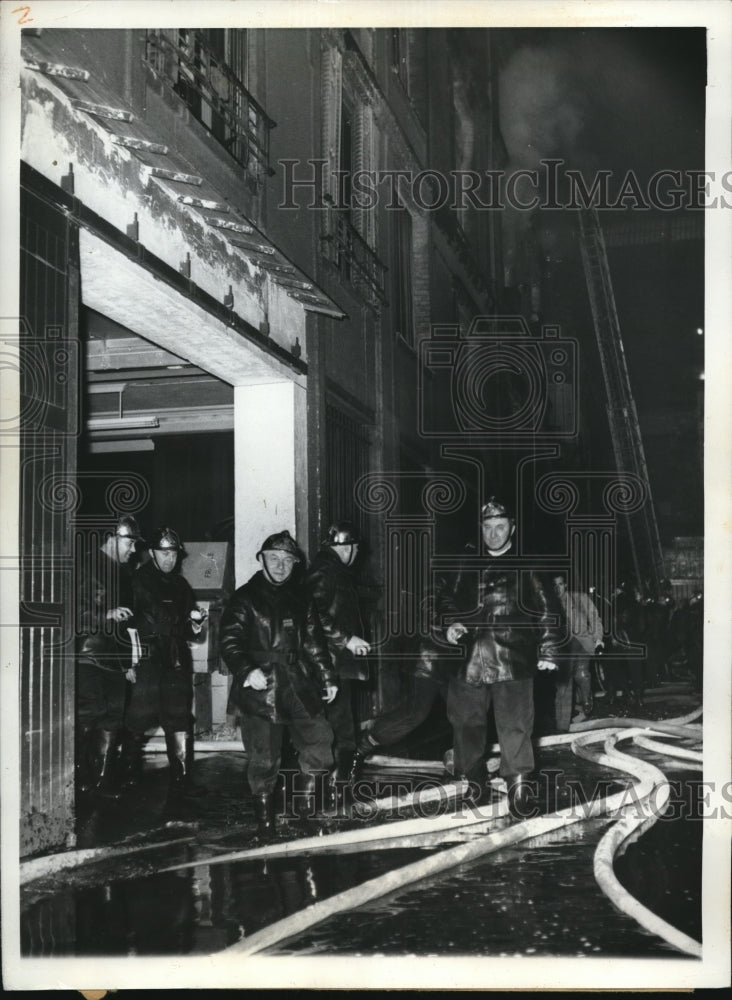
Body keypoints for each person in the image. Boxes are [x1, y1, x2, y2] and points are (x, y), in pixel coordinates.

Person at [437, 497, 561, 817]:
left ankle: (518, 790)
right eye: (488, 528)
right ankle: (476, 782)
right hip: (469, 659)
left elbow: (548, 609)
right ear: (481, 529)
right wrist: (451, 623)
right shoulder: (465, 563)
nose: (494, 534)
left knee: (516, 726)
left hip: (513, 657)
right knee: (465, 723)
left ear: (513, 528)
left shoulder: (528, 564)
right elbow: (445, 599)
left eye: (500, 527)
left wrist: (548, 649)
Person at [219, 530, 337, 838]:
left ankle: (305, 811)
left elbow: (313, 642)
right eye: (274, 558)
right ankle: (265, 824)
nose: (281, 566)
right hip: (261, 689)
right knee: (264, 758)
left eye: (288, 560)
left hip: (297, 684)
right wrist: (246, 671)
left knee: (320, 742)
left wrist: (327, 676)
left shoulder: (301, 598)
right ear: (261, 560)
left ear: (296, 564)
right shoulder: (244, 598)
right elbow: (229, 641)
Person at [125, 527, 206, 802]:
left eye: (173, 554)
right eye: (164, 553)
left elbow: (191, 630)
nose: (169, 559)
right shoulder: (138, 581)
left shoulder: (182, 586)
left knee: (180, 715)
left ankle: (181, 779)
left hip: (175, 656)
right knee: (139, 715)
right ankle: (128, 773)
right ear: (152, 553)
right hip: (148, 656)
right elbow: (139, 620)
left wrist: (195, 623)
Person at [75, 514, 143, 799]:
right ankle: (78, 780)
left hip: (115, 660)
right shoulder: (86, 565)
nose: (134, 549)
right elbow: (75, 614)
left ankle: (102, 784)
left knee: (113, 718)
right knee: (89, 715)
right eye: (130, 542)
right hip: (89, 656)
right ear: (112, 538)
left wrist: (128, 663)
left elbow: (128, 624)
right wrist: (105, 615)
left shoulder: (124, 573)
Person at [305, 521, 371, 796]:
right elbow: (313, 612)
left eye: (348, 547)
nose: (347, 552)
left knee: (342, 722)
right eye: (343, 547)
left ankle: (340, 782)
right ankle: (335, 784)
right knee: (337, 722)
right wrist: (346, 638)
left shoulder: (335, 571)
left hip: (338, 662)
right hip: (331, 662)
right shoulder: (325, 571)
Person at [551, 572, 604, 730]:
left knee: (582, 674)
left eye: (560, 584)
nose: (558, 588)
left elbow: (594, 617)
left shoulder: (579, 598)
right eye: (554, 585)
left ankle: (587, 699)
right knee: (563, 685)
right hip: (563, 647)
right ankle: (562, 725)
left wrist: (598, 637)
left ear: (565, 585)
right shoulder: (550, 604)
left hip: (581, 642)